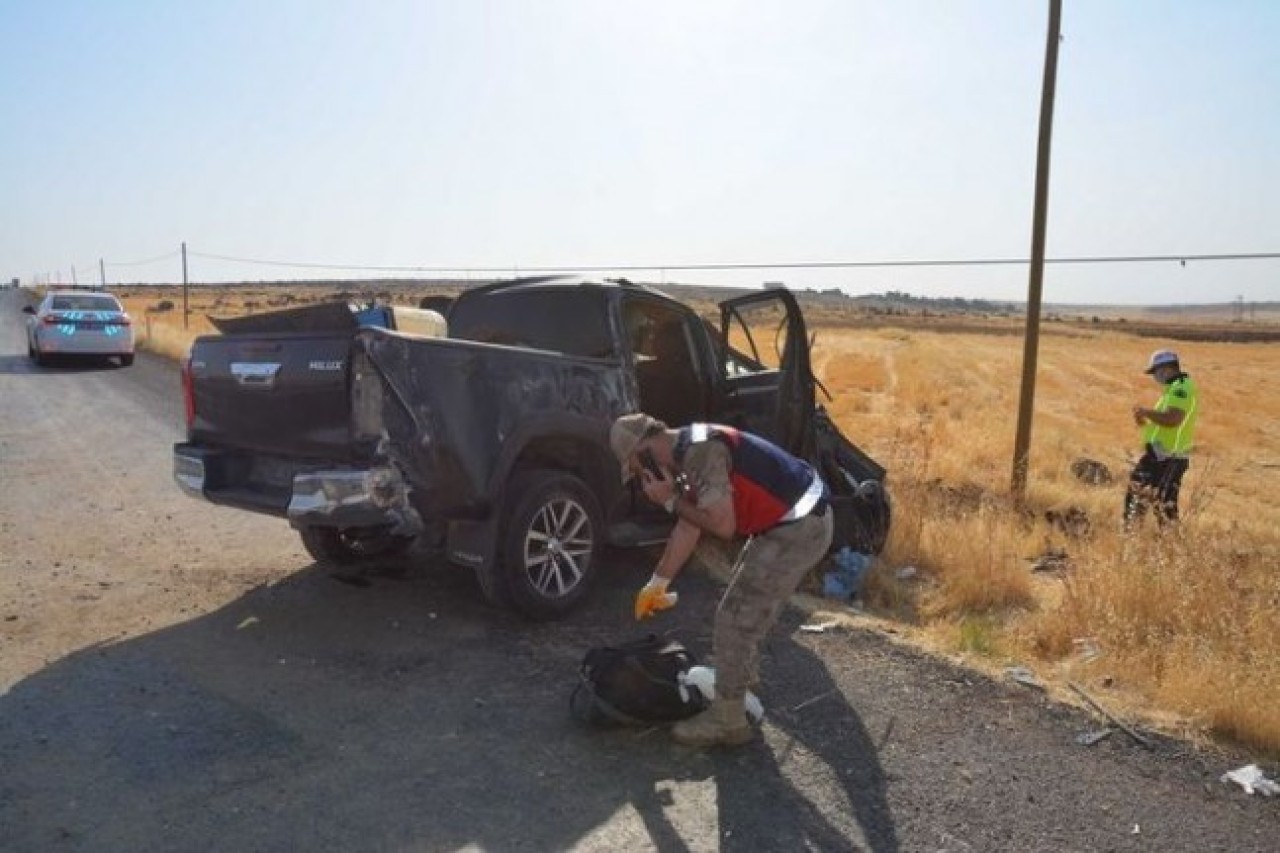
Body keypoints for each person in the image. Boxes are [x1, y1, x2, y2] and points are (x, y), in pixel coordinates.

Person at [609, 412, 834, 747]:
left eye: (637, 468)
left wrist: (670, 501)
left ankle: (728, 720)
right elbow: (689, 525)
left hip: (800, 529)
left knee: (734, 618)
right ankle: (739, 675)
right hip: (787, 522)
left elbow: (722, 525)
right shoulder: (685, 453)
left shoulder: (701, 454)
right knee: (743, 601)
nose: (642, 479)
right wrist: (658, 583)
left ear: (644, 451)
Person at [1124, 349, 1199, 528]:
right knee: (1146, 497)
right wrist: (1143, 420)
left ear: (1166, 368)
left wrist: (1147, 412)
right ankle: (1135, 537)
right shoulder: (1173, 389)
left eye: (1155, 372)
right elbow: (1162, 423)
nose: (1154, 377)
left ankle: (1137, 538)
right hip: (1159, 455)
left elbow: (1172, 419)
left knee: (1162, 505)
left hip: (1169, 457)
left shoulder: (1181, 388)